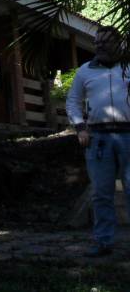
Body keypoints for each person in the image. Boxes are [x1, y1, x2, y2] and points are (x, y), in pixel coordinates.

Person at [66, 25, 130, 257]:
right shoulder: (85, 71)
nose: (100, 46)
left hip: (129, 135)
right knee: (101, 192)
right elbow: (73, 101)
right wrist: (80, 127)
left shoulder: (128, 66)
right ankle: (104, 242)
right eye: (97, 43)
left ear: (119, 44)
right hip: (98, 139)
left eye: (106, 42)